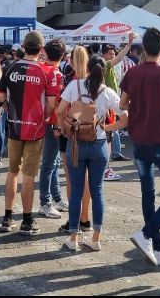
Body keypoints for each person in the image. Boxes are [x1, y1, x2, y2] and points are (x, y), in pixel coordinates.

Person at [120, 27, 160, 267]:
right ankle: (147, 234)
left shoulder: (133, 73)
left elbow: (123, 103)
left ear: (143, 48)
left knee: (148, 191)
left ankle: (156, 244)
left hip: (139, 140)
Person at [56, 56, 128, 252]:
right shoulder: (109, 92)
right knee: (97, 190)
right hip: (99, 144)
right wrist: (108, 127)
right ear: (104, 71)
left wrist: (65, 129)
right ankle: (96, 238)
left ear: (86, 68)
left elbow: (60, 111)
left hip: (76, 144)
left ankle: (74, 238)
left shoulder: (75, 86)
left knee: (76, 192)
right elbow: (125, 118)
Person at [0, 31, 58, 236]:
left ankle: (7, 218)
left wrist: (9, 109)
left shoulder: (10, 67)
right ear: (41, 49)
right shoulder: (45, 71)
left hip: (14, 127)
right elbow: (50, 105)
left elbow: (0, 95)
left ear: (23, 45)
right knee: (29, 176)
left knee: (12, 172)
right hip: (35, 129)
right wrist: (42, 118)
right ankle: (27, 220)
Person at [58, 45, 93, 234]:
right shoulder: (95, 81)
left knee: (72, 179)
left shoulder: (69, 81)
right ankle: (85, 218)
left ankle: (74, 220)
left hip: (71, 132)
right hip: (91, 133)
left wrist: (60, 126)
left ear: (71, 60)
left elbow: (60, 109)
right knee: (87, 179)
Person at [38, 38, 69, 220]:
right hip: (52, 122)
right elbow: (55, 103)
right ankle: (45, 202)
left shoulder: (41, 69)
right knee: (49, 164)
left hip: (42, 120)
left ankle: (55, 198)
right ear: (63, 56)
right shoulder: (55, 74)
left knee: (53, 162)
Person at [101, 35, 135, 170]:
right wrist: (129, 44)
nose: (113, 56)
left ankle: (115, 152)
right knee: (112, 127)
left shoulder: (108, 67)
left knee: (113, 127)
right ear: (103, 55)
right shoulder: (105, 65)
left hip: (112, 100)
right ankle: (113, 156)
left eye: (113, 53)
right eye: (110, 54)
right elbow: (120, 57)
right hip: (108, 102)